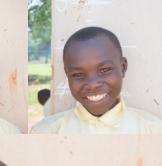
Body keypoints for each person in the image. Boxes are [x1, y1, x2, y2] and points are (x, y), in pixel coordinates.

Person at [30, 27, 162, 134]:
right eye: (78, 74)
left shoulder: (153, 131)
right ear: (67, 75)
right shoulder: (45, 132)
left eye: (105, 70)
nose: (92, 85)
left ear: (123, 68)